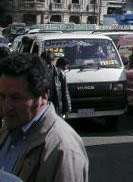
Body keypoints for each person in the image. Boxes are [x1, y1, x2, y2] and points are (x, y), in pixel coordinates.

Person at [0, 53, 88, 182]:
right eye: (2, 96)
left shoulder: (63, 149)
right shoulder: (9, 127)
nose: (6, 106)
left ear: (44, 96)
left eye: (16, 98)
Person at [41, 51, 71, 117]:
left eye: (49, 63)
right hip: (41, 108)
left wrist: (67, 109)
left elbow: (65, 92)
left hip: (56, 108)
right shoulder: (37, 73)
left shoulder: (60, 73)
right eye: (45, 63)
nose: (47, 65)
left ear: (53, 61)